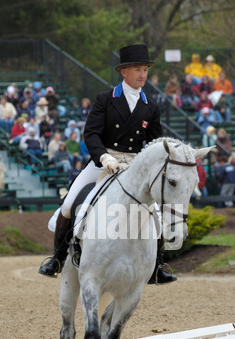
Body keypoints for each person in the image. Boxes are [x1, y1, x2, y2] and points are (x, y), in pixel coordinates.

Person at [39, 43, 176, 285]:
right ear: (124, 72)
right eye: (137, 70)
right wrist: (104, 157)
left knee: (155, 214)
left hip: (133, 164)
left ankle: (157, 266)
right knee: (70, 203)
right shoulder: (105, 99)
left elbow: (155, 141)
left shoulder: (151, 107)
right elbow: (91, 133)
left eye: (145, 70)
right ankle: (57, 258)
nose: (142, 75)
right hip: (103, 160)